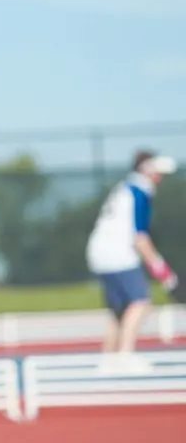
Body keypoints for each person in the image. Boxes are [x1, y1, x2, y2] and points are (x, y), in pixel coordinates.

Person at [86, 150, 178, 359]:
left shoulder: (124, 188)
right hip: (118, 253)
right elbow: (140, 239)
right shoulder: (140, 191)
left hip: (98, 253)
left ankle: (108, 358)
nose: (160, 178)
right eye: (157, 173)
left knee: (119, 311)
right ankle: (125, 356)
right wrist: (165, 274)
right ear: (147, 171)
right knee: (140, 302)